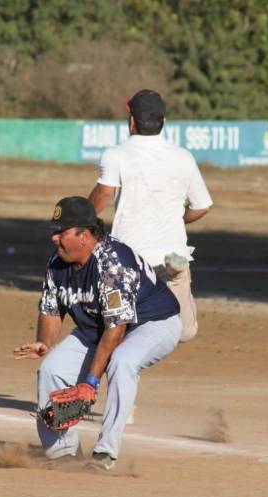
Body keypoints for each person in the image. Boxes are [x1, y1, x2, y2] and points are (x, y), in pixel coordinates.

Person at [13, 196, 181, 472]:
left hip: (153, 323)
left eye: (62, 231)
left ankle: (105, 452)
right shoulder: (57, 265)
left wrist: (90, 382)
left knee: (123, 362)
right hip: (98, 328)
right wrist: (44, 342)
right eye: (54, 231)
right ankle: (63, 453)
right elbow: (51, 310)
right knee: (51, 370)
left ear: (86, 235)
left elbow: (117, 330)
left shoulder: (112, 263)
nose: (55, 238)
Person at [89, 89, 213, 342]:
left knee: (115, 329)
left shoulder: (116, 154)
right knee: (185, 331)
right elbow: (202, 206)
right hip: (171, 259)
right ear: (164, 122)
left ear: (131, 121)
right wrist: (177, 219)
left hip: (128, 261)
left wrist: (79, 221)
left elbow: (103, 197)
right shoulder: (183, 157)